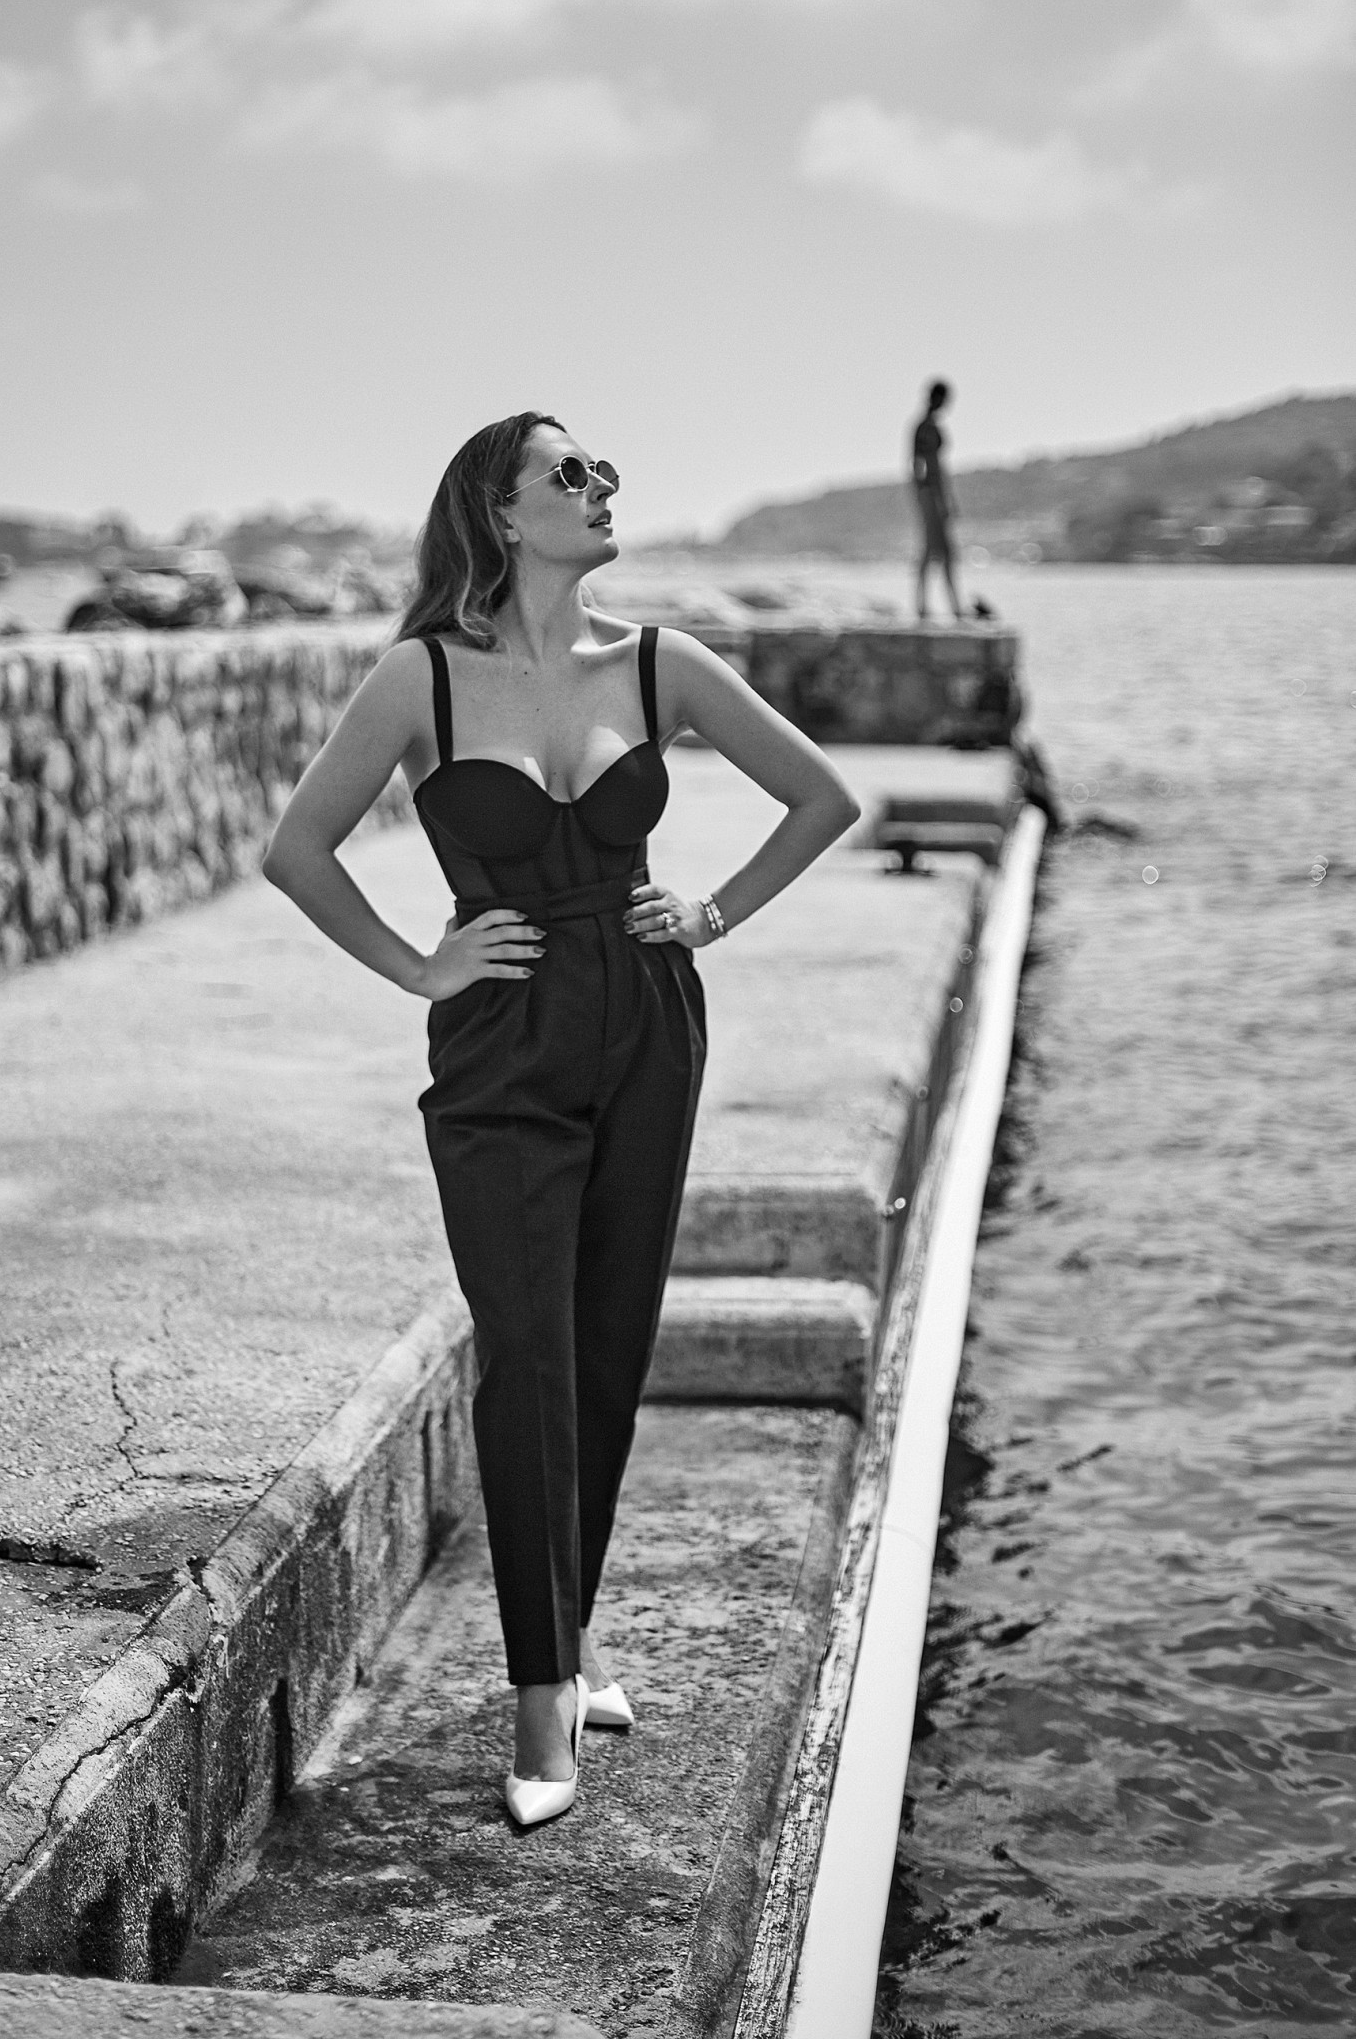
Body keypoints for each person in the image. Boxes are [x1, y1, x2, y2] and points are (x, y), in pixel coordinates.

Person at [261, 413, 859, 1826]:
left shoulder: (659, 663)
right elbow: (298, 849)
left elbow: (822, 797)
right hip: (501, 1042)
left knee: (604, 1345)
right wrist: (420, 964)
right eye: (569, 474)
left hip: (647, 1022)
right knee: (525, 1350)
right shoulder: (421, 676)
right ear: (498, 510)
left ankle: (572, 1641)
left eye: (604, 472)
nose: (600, 489)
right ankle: (542, 1704)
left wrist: (711, 911)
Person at [912, 378, 964, 621]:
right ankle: (951, 607)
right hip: (932, 495)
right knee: (943, 551)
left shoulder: (931, 426)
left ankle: (926, 606)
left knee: (933, 550)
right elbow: (919, 465)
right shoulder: (924, 427)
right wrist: (929, 496)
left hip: (936, 494)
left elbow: (938, 467)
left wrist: (947, 498)